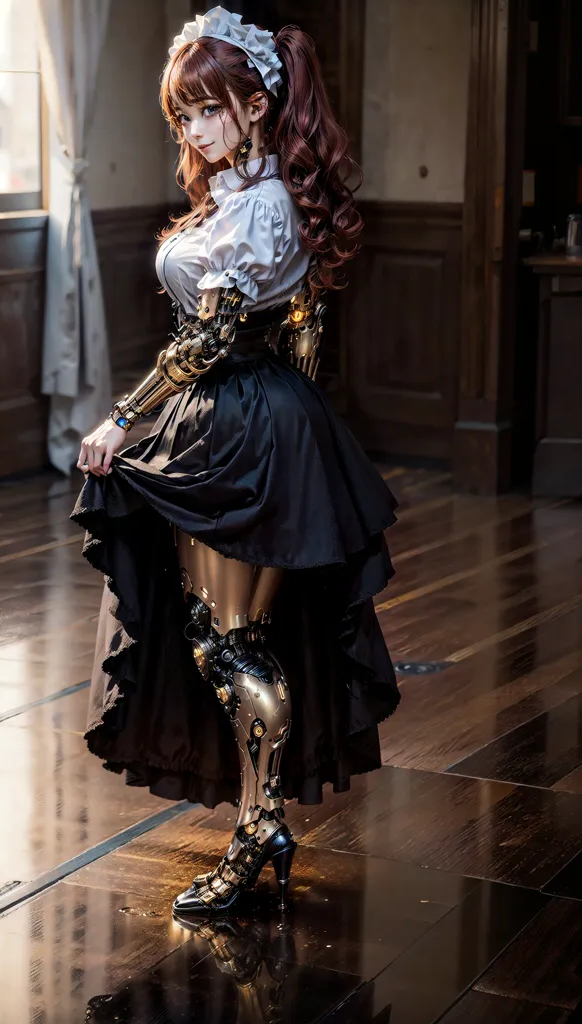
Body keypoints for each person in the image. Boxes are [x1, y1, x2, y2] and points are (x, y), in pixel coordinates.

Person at [71, 6, 400, 915]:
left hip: (239, 422)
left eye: (207, 109)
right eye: (183, 115)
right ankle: (262, 823)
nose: (194, 129)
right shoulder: (250, 198)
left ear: (256, 106)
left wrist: (120, 421)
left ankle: (258, 831)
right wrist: (295, 427)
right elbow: (305, 330)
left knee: (230, 641)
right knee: (229, 637)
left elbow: (211, 335)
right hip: (249, 421)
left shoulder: (257, 208)